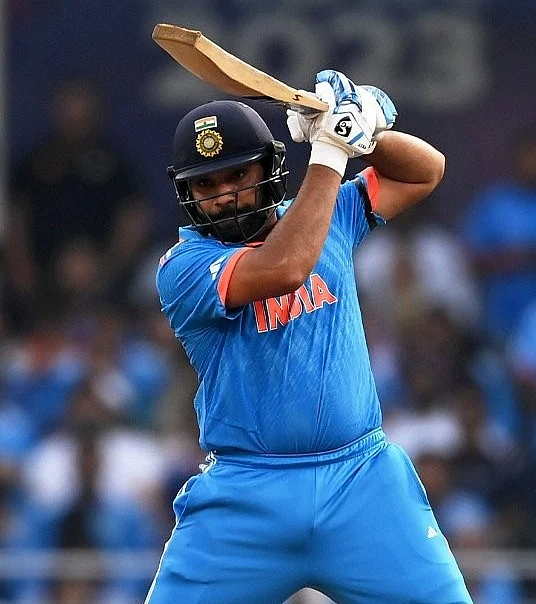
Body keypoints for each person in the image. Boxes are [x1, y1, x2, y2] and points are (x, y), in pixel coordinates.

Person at [146, 71, 472, 603]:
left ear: (271, 168)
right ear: (186, 193)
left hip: (361, 481)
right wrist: (328, 153)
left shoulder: (330, 214)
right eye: (206, 185)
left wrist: (362, 133)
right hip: (246, 497)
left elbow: (425, 172)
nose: (225, 196)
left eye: (238, 175)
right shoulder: (183, 267)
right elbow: (288, 266)